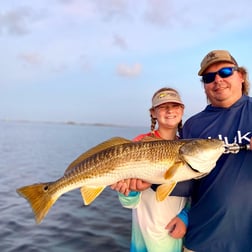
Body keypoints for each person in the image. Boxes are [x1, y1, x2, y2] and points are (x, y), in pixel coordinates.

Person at [181, 50, 252, 252]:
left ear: (241, 76)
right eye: (209, 77)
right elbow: (187, 184)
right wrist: (147, 183)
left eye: (226, 72)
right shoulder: (193, 126)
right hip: (202, 239)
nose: (218, 80)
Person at [111, 87, 189, 252]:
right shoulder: (138, 144)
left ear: (182, 110)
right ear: (153, 112)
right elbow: (128, 202)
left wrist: (185, 217)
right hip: (144, 236)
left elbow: (196, 192)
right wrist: (131, 191)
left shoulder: (189, 148)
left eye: (175, 106)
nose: (169, 111)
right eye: (162, 107)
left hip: (176, 234)